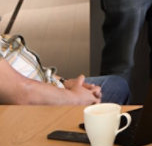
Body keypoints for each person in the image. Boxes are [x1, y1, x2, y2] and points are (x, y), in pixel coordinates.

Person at [1, 34, 129, 105]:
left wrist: (65, 82)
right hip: (36, 106)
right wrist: (75, 98)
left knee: (116, 85)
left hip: (49, 85)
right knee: (116, 88)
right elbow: (22, 93)